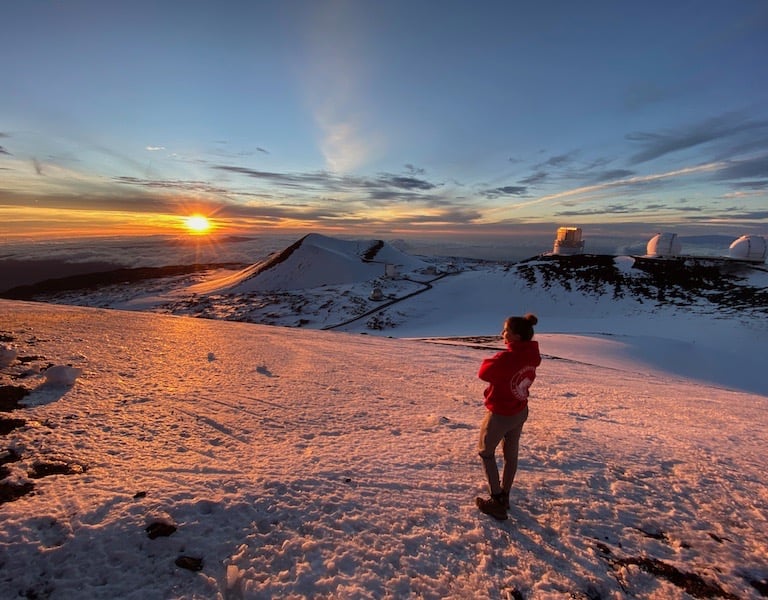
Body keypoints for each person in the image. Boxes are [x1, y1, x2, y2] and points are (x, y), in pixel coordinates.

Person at [475, 313, 541, 520]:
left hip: (501, 413)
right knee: (511, 454)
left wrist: (498, 358)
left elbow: (483, 372)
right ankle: (505, 494)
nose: (502, 334)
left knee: (486, 452)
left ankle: (496, 501)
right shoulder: (531, 355)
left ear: (516, 337)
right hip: (519, 410)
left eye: (506, 331)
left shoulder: (507, 358)